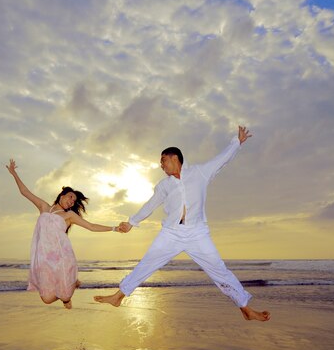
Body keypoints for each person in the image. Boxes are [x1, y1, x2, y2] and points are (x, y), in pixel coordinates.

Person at [94, 126, 270, 321]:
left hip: (197, 233)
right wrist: (131, 223)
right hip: (171, 233)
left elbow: (221, 160)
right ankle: (118, 297)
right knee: (147, 264)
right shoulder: (164, 185)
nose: (161, 165)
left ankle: (245, 308)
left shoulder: (200, 173)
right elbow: (150, 204)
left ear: (174, 158)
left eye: (163, 161)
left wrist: (236, 142)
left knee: (219, 270)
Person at [7, 159, 121, 309]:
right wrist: (14, 173)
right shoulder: (44, 207)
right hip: (44, 258)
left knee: (66, 295)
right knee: (47, 299)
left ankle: (68, 294)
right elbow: (25, 192)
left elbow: (91, 226)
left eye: (74, 201)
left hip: (62, 257)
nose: (72, 202)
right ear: (62, 195)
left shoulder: (69, 216)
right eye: (70, 197)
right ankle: (72, 285)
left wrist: (114, 228)